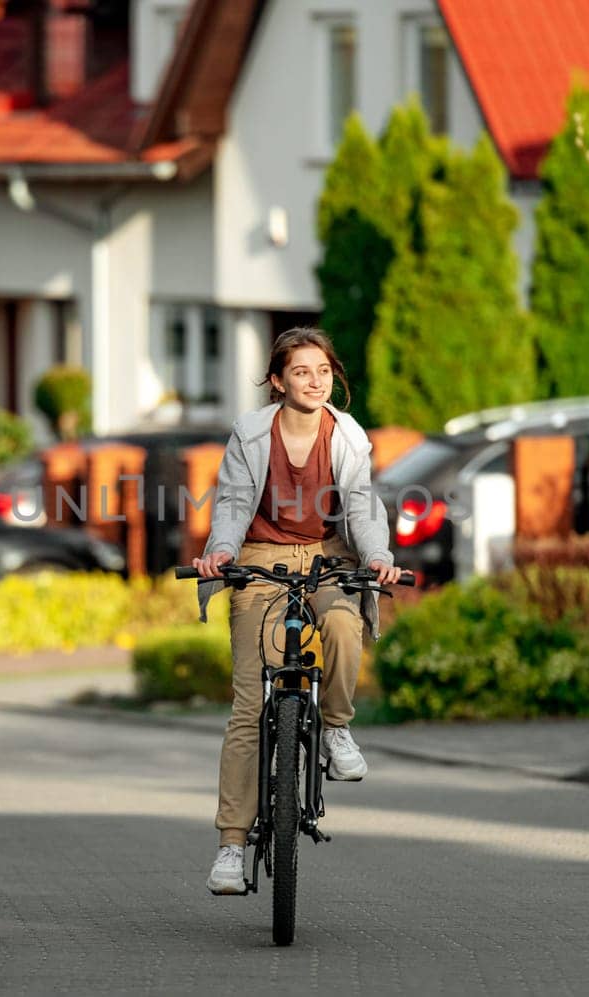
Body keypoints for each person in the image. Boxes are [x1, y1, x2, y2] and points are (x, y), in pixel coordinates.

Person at [190, 327, 400, 895]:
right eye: (302, 372)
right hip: (260, 554)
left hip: (328, 556)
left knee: (339, 621)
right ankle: (231, 847)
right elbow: (233, 500)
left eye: (324, 371)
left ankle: (335, 730)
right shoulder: (252, 433)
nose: (315, 381)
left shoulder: (349, 437)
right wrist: (223, 551)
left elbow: (360, 506)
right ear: (278, 380)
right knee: (248, 703)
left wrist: (377, 555)